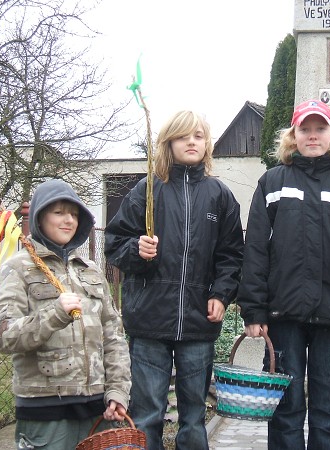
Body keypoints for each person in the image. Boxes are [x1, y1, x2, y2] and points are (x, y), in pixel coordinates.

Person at [237, 99, 330, 449]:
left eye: (320, 128)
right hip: (283, 315)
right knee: (285, 411)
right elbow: (255, 250)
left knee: (326, 411)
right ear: (293, 136)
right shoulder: (272, 183)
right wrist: (253, 310)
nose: (313, 135)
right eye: (304, 129)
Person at [104, 110, 244, 450]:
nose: (191, 142)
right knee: (147, 413)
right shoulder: (147, 191)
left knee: (194, 417)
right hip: (149, 320)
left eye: (198, 136)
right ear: (168, 143)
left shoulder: (219, 195)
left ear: (207, 144)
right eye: (183, 136)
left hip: (198, 321)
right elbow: (114, 243)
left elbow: (231, 255)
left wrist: (221, 294)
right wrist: (137, 250)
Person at [0, 179, 131, 450]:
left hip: (98, 412)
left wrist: (118, 391)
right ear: (40, 217)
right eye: (59, 212)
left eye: (74, 214)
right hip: (46, 414)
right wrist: (54, 314)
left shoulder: (90, 269)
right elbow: (0, 335)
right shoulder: (18, 268)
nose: (69, 220)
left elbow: (114, 337)